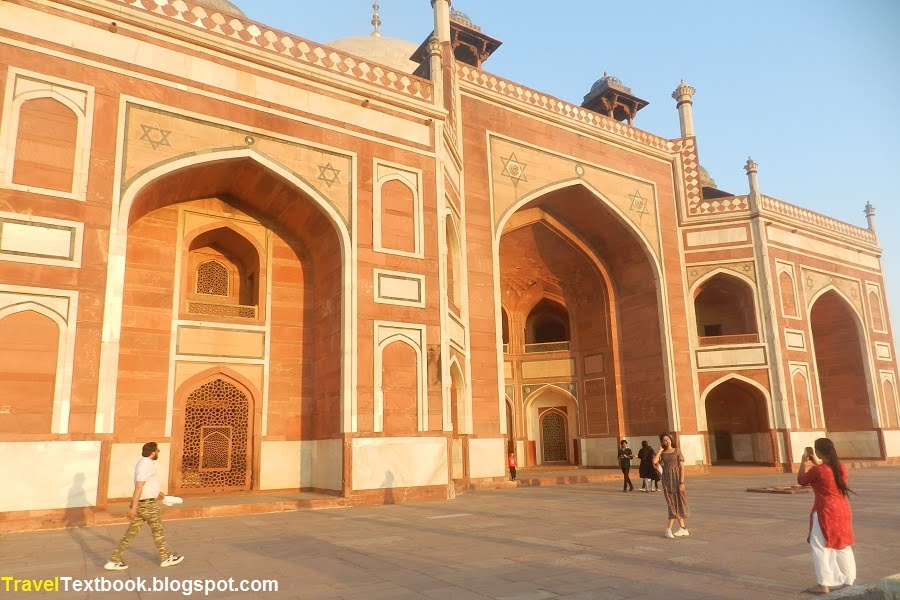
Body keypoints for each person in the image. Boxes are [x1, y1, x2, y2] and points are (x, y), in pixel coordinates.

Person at [105, 442, 185, 570]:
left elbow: (147, 484)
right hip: (148, 505)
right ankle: (166, 558)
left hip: (144, 503)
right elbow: (139, 487)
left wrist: (158, 494)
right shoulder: (145, 465)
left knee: (130, 534)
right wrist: (133, 507)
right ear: (153, 452)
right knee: (158, 531)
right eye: (157, 451)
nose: (158, 453)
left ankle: (114, 560)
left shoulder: (142, 463)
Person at [797, 438, 856, 595]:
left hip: (825, 511)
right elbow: (827, 472)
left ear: (817, 451)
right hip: (842, 510)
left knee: (820, 547)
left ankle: (824, 583)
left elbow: (802, 480)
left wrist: (803, 462)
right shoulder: (841, 467)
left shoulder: (818, 471)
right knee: (843, 545)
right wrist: (817, 462)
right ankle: (848, 580)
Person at [654, 432, 689, 538]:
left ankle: (669, 529)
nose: (667, 441)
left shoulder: (677, 451)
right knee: (671, 502)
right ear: (662, 442)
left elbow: (682, 467)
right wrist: (660, 450)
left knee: (677, 502)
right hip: (667, 480)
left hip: (676, 478)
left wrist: (681, 482)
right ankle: (682, 528)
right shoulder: (663, 453)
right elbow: (655, 461)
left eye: (668, 439)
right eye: (664, 440)